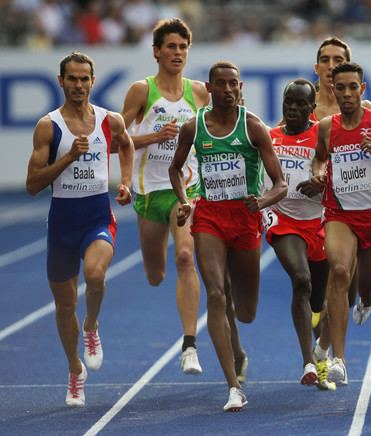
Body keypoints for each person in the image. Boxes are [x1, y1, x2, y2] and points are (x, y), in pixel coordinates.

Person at [169, 61, 287, 412]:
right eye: (220, 84)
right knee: (217, 294)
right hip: (210, 217)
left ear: (240, 87)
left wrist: (262, 200)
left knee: (245, 309)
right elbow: (175, 168)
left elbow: (280, 184)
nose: (227, 89)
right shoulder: (194, 127)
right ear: (210, 87)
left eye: (233, 84)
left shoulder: (253, 127)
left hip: (245, 218)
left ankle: (239, 350)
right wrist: (184, 201)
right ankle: (233, 386)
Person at [25, 52, 134, 407]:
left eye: (84, 79)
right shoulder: (49, 126)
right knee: (64, 305)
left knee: (96, 274)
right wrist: (69, 157)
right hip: (62, 225)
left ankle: (91, 326)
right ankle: (75, 371)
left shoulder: (109, 119)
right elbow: (32, 184)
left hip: (97, 217)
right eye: (72, 79)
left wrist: (127, 182)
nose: (78, 85)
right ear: (61, 82)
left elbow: (128, 144)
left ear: (92, 81)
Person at [120, 18, 207, 375]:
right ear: (156, 52)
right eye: (171, 47)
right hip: (149, 193)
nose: (178, 53)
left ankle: (189, 346)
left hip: (185, 190)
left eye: (183, 47)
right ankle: (155, 269)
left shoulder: (199, 92)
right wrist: (152, 138)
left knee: (186, 257)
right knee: (155, 273)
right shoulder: (142, 91)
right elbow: (114, 139)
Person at [308, 62, 371, 386]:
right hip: (339, 213)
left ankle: (368, 295)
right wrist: (318, 172)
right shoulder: (326, 127)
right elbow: (319, 156)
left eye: (353, 87)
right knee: (340, 273)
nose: (346, 93)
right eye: (340, 87)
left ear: (362, 89)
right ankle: (339, 358)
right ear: (332, 89)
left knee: (365, 287)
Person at [265, 79, 329, 387]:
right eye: (288, 101)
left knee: (321, 300)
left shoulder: (323, 135)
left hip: (322, 222)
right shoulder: (269, 137)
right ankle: (308, 362)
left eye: (301, 103)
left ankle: (324, 356)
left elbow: (341, 174)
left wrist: (322, 183)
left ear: (312, 109)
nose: (293, 108)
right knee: (301, 281)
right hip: (285, 221)